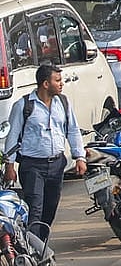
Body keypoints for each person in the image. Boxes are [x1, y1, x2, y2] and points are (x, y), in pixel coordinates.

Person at [4, 63, 88, 231]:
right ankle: (33, 250)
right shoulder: (24, 105)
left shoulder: (63, 103)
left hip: (57, 165)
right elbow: (12, 136)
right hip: (33, 166)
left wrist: (79, 157)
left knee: (50, 209)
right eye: (57, 80)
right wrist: (9, 166)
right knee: (35, 209)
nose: (61, 83)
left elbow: (72, 130)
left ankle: (40, 246)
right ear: (45, 84)